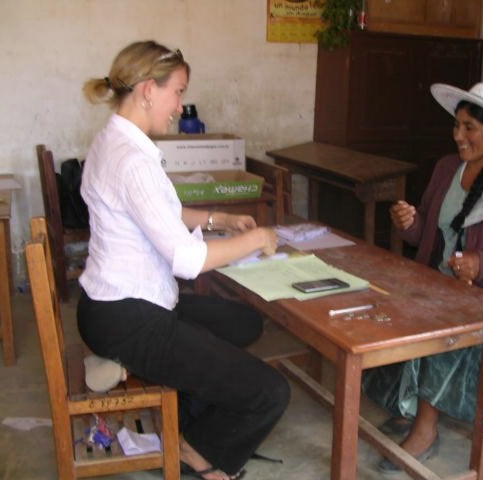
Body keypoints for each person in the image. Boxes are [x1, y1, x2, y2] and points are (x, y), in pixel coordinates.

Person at [78, 40, 290, 480]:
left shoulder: (114, 140)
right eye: (177, 91)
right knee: (270, 392)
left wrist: (221, 218)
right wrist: (259, 239)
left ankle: (162, 391)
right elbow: (187, 260)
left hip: (117, 306)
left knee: (243, 324)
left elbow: (162, 213)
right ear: (146, 90)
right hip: (128, 316)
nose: (179, 106)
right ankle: (195, 450)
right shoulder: (131, 159)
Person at [362, 82, 483, 473]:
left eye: (470, 128)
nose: (458, 136)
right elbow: (429, 236)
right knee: (386, 311)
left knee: (448, 333)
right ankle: (409, 403)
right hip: (446, 288)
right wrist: (411, 223)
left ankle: (425, 428)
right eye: (457, 125)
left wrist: (482, 264)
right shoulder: (448, 168)